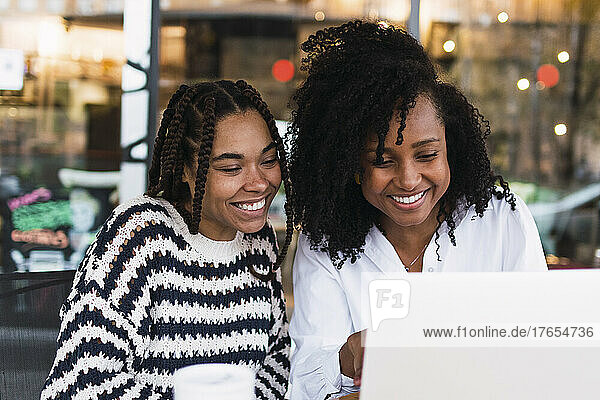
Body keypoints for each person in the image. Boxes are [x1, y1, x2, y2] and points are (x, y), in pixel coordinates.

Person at [287, 21, 547, 400]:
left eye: (427, 155)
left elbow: (539, 358)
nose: (409, 180)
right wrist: (347, 357)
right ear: (352, 165)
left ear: (450, 147)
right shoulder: (326, 242)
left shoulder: (500, 220)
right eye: (382, 161)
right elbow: (306, 385)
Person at [41, 80, 294, 400]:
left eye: (269, 161)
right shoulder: (140, 238)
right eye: (231, 168)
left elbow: (276, 360)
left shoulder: (259, 240)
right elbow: (81, 384)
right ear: (186, 170)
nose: (259, 183)